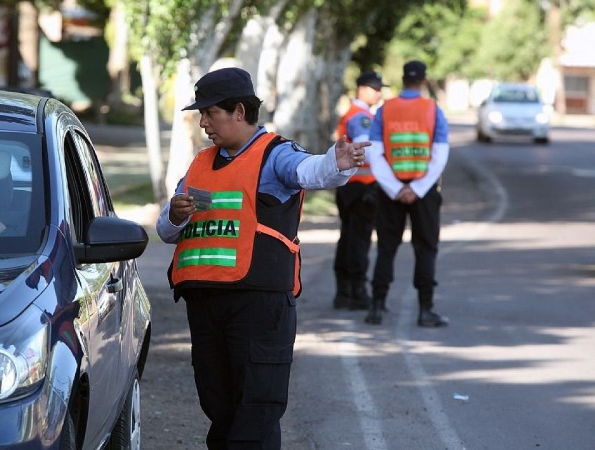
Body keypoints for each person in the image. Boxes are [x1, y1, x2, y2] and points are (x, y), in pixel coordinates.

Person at [156, 66, 369, 449]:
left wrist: (337, 163)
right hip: (205, 304)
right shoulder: (200, 163)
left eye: (210, 113)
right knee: (220, 408)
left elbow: (309, 171)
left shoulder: (275, 155)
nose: (203, 123)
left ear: (239, 111)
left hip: (258, 304)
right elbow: (166, 231)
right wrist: (175, 214)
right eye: (201, 114)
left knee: (257, 408)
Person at [361, 60, 450, 327]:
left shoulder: (386, 109)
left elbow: (375, 152)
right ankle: (425, 310)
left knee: (386, 247)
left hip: (391, 192)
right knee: (426, 248)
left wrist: (396, 188)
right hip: (423, 191)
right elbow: (440, 154)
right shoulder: (433, 109)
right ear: (423, 81)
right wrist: (418, 188)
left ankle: (376, 307)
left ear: (402, 79)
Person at [331, 70, 386, 311]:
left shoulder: (352, 114)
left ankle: (344, 292)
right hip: (361, 189)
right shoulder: (361, 117)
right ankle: (357, 291)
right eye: (376, 88)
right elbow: (368, 150)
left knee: (348, 239)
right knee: (358, 241)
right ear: (363, 88)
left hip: (349, 187)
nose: (379, 93)